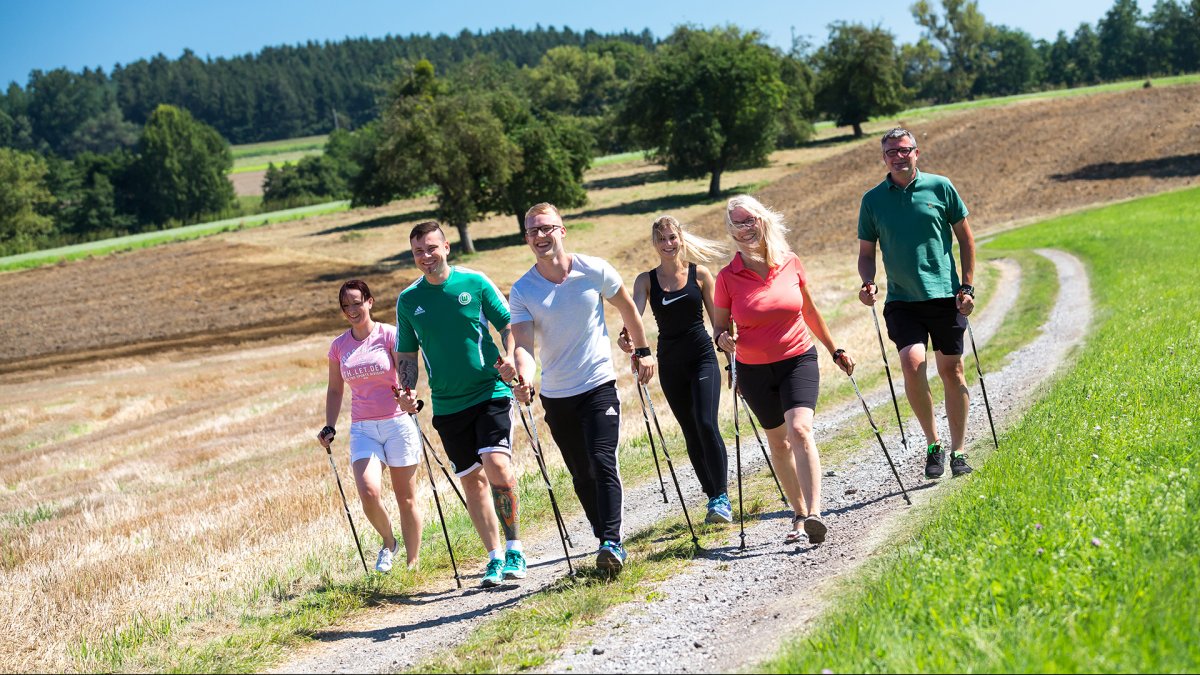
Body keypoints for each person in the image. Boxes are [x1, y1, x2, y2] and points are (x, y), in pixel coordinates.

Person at [510, 202, 656, 576]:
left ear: (562, 230)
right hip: (557, 395)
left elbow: (627, 308)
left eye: (546, 228)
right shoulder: (523, 289)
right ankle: (602, 535)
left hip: (597, 383)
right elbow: (523, 344)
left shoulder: (594, 269)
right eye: (532, 231)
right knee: (580, 472)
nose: (540, 236)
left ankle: (611, 541)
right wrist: (524, 377)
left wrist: (643, 351)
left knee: (602, 460)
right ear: (526, 238)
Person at [713, 195, 855, 545]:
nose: (744, 228)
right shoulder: (727, 277)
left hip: (797, 359)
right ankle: (799, 512)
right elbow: (718, 328)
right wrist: (723, 340)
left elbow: (809, 311)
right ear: (730, 231)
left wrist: (834, 349)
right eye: (737, 223)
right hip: (754, 370)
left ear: (762, 220)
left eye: (749, 220)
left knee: (800, 430)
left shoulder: (790, 262)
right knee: (778, 444)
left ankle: (816, 514)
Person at [392, 221, 526, 588]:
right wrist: (406, 389)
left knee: (497, 467)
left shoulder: (475, 283)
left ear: (447, 247)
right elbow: (406, 353)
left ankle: (515, 546)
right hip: (447, 404)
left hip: (490, 391)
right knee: (473, 483)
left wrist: (514, 355)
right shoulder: (409, 300)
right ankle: (494, 557)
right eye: (418, 251)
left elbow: (508, 323)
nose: (425, 256)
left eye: (431, 248)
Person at [857, 127, 976, 480]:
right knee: (912, 363)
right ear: (884, 158)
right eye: (891, 151)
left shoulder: (940, 187)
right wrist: (867, 282)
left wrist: (967, 287)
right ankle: (934, 444)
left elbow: (966, 240)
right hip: (902, 300)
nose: (898, 156)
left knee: (952, 371)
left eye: (904, 149)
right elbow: (866, 253)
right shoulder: (873, 200)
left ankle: (958, 450)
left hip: (945, 295)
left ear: (916, 152)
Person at [617, 215, 733, 524]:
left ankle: (722, 496)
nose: (668, 244)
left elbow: (718, 322)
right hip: (670, 361)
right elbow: (634, 316)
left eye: (672, 238)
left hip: (702, 356)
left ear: (680, 239)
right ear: (654, 244)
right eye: (662, 239)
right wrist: (628, 338)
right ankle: (712, 498)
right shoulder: (646, 281)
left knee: (706, 423)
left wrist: (727, 345)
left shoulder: (700, 275)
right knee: (691, 431)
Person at [317, 279, 423, 573]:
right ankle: (389, 542)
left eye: (356, 302)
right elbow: (335, 389)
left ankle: (413, 564)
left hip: (397, 423)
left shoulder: (389, 335)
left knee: (405, 496)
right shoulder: (339, 347)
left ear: (369, 301)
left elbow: (406, 372)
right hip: (363, 428)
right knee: (369, 492)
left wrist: (407, 395)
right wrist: (329, 426)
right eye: (345, 305)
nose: (352, 309)